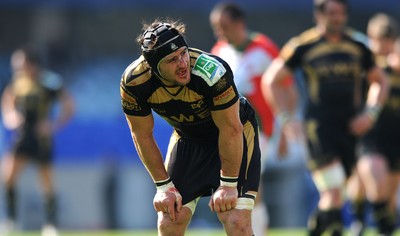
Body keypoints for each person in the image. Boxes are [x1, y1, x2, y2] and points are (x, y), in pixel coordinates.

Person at [120, 19, 261, 236]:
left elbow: (231, 128)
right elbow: (141, 133)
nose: (183, 63)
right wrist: (163, 187)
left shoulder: (211, 71)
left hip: (235, 133)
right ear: (154, 67)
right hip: (188, 138)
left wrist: (228, 185)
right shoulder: (134, 82)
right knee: (170, 220)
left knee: (236, 220)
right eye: (172, 60)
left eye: (183, 54)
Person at [262, 0, 389, 235]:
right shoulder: (303, 45)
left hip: (351, 129)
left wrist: (370, 114)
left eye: (341, 13)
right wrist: (286, 119)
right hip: (318, 128)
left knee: (336, 193)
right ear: (319, 15)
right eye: (332, 13)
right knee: (333, 191)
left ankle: (318, 227)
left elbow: (380, 80)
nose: (337, 18)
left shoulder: (357, 46)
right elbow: (272, 80)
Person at [208, 2, 301, 235]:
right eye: (216, 28)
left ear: (240, 23)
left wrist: (284, 126)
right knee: (241, 187)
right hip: (229, 130)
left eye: (224, 26)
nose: (220, 32)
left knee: (246, 185)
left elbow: (288, 90)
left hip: (259, 129)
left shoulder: (264, 48)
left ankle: (255, 230)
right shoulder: (219, 51)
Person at [0, 46, 74, 236]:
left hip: (41, 139)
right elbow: (7, 101)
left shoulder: (49, 81)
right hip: (22, 136)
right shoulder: (18, 82)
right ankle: (11, 220)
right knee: (8, 177)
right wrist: (10, 117)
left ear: (31, 64)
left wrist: (53, 125)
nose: (17, 68)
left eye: (20, 64)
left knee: (47, 183)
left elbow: (69, 105)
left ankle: (51, 225)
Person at [346, 13, 399, 236]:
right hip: (369, 132)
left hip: (395, 132)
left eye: (387, 40)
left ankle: (383, 226)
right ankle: (358, 220)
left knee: (388, 191)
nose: (382, 45)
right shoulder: (364, 64)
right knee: (371, 174)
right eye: (378, 39)